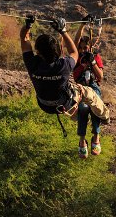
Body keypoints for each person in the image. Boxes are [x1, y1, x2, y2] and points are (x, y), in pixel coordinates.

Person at [20, 16, 109, 127]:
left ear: (37, 51)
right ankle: (105, 116)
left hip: (45, 105)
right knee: (91, 93)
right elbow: (74, 51)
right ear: (57, 51)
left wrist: (27, 26)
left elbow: (24, 40)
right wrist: (63, 31)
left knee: (75, 109)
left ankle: (81, 119)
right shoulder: (63, 65)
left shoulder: (32, 64)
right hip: (65, 102)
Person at [73, 19, 105, 158]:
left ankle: (96, 137)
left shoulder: (95, 57)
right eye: (81, 48)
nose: (83, 50)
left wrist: (92, 63)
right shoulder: (76, 58)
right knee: (83, 109)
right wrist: (82, 25)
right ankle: (82, 141)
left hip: (93, 86)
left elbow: (100, 77)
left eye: (86, 48)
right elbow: (75, 76)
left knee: (95, 108)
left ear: (90, 48)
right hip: (81, 86)